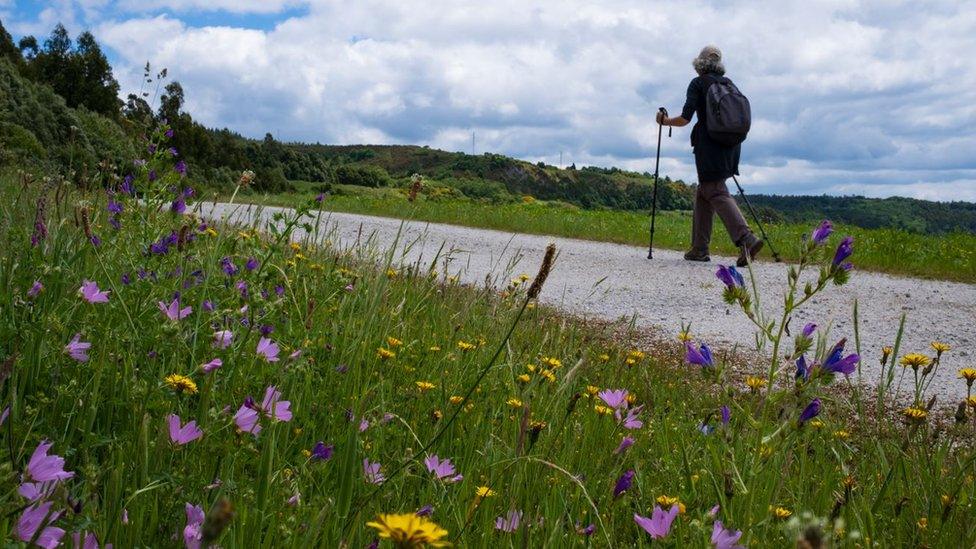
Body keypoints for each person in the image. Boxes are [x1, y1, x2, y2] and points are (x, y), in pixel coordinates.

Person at [656, 45, 763, 267]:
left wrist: (663, 121)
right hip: (732, 144)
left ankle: (747, 239)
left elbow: (686, 118)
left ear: (699, 64)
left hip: (709, 144)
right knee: (705, 191)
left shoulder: (698, 83)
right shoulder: (729, 83)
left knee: (714, 189)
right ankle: (699, 248)